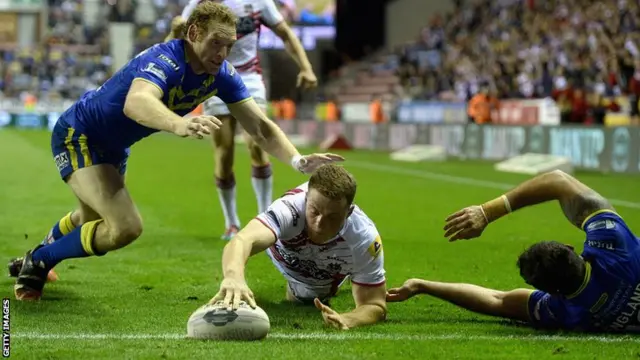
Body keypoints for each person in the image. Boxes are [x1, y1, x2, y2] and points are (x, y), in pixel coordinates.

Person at [9, 1, 342, 301]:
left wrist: (297, 159)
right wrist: (179, 124)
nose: (222, 53)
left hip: (111, 146)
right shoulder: (165, 58)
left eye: (229, 45)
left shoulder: (220, 74)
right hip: (79, 135)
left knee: (90, 218)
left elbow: (259, 126)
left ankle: (36, 255)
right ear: (194, 32)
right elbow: (136, 102)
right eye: (215, 43)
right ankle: (39, 262)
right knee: (125, 227)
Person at [387, 170, 640, 333]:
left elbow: (497, 300)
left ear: (550, 292)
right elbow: (558, 180)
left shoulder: (567, 312)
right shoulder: (613, 242)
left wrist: (424, 285)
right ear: (569, 247)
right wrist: (488, 211)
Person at [167, 0, 318, 241]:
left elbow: (285, 34)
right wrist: (176, 31)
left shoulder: (259, 2)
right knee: (224, 154)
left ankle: (267, 218)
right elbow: (177, 42)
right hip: (214, 78)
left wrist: (306, 67)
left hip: (249, 78)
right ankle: (231, 223)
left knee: (257, 145)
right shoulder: (200, 4)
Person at [208, 164, 387, 330]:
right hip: (278, 246)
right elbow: (242, 240)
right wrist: (233, 277)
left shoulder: (364, 239)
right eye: (314, 211)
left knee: (304, 300)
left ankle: (331, 284)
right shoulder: (289, 209)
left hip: (314, 274)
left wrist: (348, 319)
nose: (319, 224)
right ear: (306, 198)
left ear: (349, 212)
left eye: (332, 217)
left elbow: (375, 305)